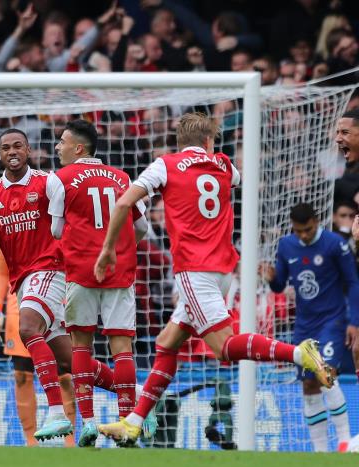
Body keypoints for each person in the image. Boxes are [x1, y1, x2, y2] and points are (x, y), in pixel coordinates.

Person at [93, 112, 334, 446]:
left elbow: (123, 203)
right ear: (209, 141)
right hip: (223, 271)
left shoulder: (165, 165)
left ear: (179, 142)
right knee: (167, 343)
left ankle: (298, 353)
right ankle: (133, 422)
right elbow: (235, 178)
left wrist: (108, 249)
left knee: (223, 347)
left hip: (194, 270)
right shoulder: (223, 165)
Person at [0, 128, 114, 441]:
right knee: (70, 361)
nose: (12, 152)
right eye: (6, 147)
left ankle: (56, 412)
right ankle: (138, 394)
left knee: (28, 327)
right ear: (0, 154)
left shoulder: (48, 182)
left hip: (51, 270)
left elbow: (72, 222)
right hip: (24, 281)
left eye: (18, 146)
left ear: (28, 150)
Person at [47, 119, 149, 447]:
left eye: (62, 142)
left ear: (79, 148)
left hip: (81, 270)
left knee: (80, 345)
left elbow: (56, 230)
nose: (58, 147)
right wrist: (118, 246)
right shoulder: (122, 178)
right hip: (119, 271)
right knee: (122, 347)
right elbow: (142, 227)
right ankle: (127, 423)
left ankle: (88, 423)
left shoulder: (60, 178)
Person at [263, 203, 358, 451]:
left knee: (326, 374)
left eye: (308, 229)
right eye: (299, 231)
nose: (304, 235)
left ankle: (344, 441)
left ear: (316, 222)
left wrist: (354, 322)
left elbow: (353, 282)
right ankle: (320, 451)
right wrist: (272, 278)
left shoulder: (334, 244)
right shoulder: (286, 245)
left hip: (332, 320)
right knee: (309, 384)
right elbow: (280, 284)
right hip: (304, 326)